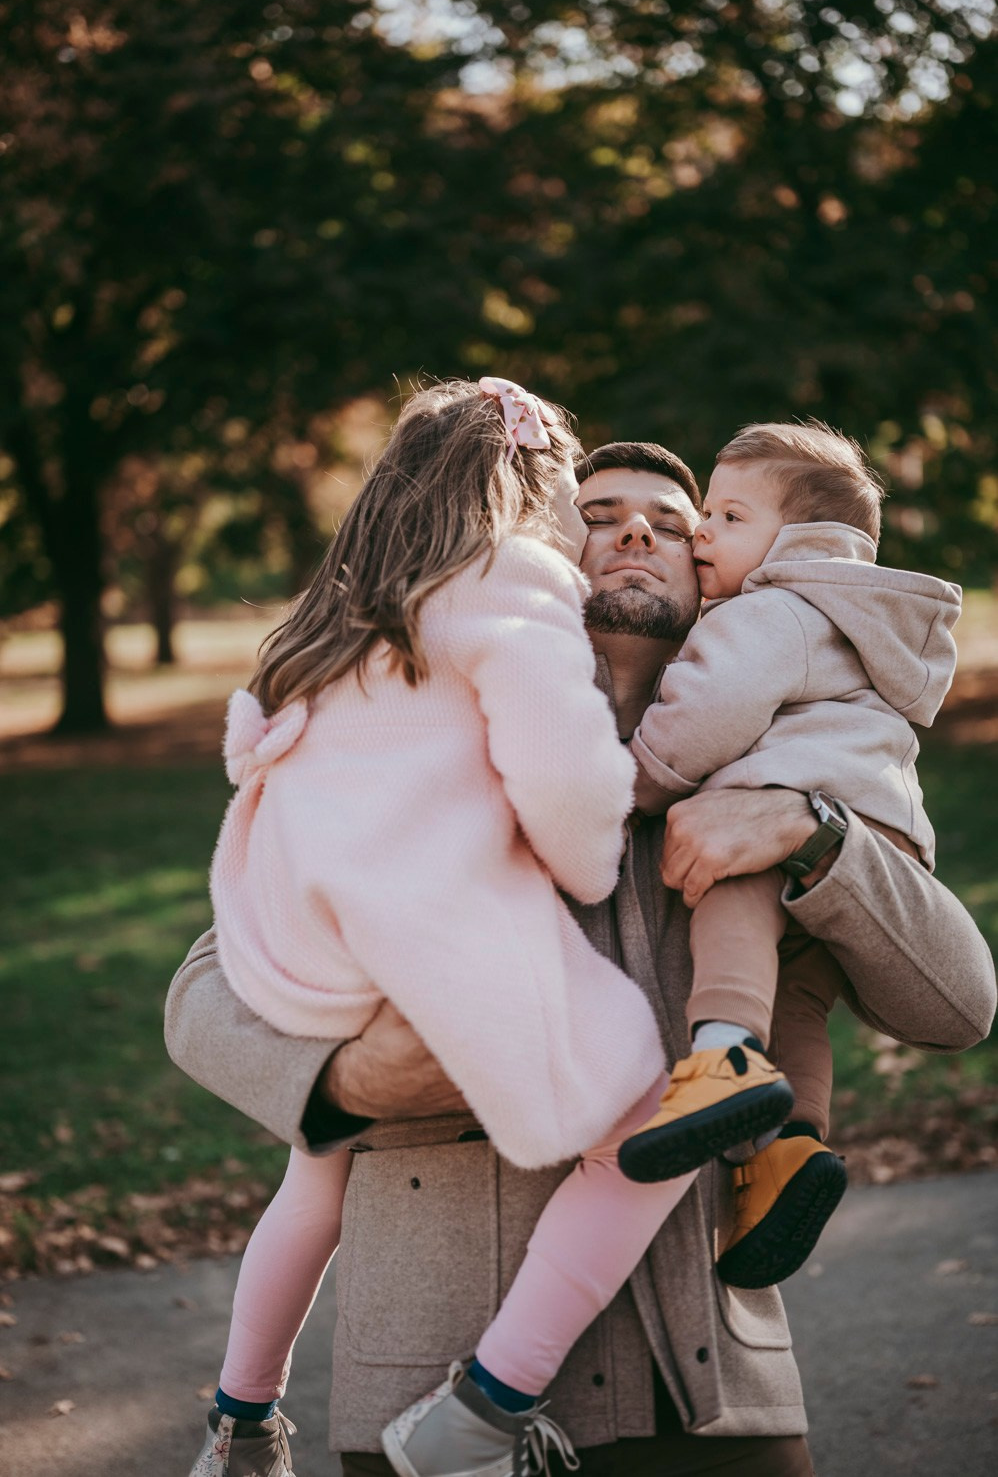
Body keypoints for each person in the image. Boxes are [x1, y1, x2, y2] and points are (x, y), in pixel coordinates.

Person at [167, 440, 996, 1477]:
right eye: (599, 513)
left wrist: (815, 833)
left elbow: (956, 1007)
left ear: (717, 576)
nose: (638, 530)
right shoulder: (409, 740)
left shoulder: (779, 770)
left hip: (706, 1398)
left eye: (677, 520)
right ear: (542, 551)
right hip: (424, 1402)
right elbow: (204, 990)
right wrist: (342, 1083)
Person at [189, 381, 706, 1477]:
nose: (582, 528)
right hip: (424, 929)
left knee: (315, 1170)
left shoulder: (334, 613)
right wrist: (584, 861)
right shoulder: (510, 580)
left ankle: (240, 1419)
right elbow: (564, 777)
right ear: (525, 488)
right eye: (571, 496)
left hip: (306, 943)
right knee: (654, 1122)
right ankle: (485, 1405)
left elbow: (259, 752)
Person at [618, 423, 961, 1251]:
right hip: (881, 840)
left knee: (726, 891)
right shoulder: (862, 619)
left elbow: (708, 717)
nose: (702, 533)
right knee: (798, 992)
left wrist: (631, 781)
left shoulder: (770, 610)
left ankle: (725, 1056)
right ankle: (786, 1154)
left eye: (728, 517)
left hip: (790, 818)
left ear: (803, 542)